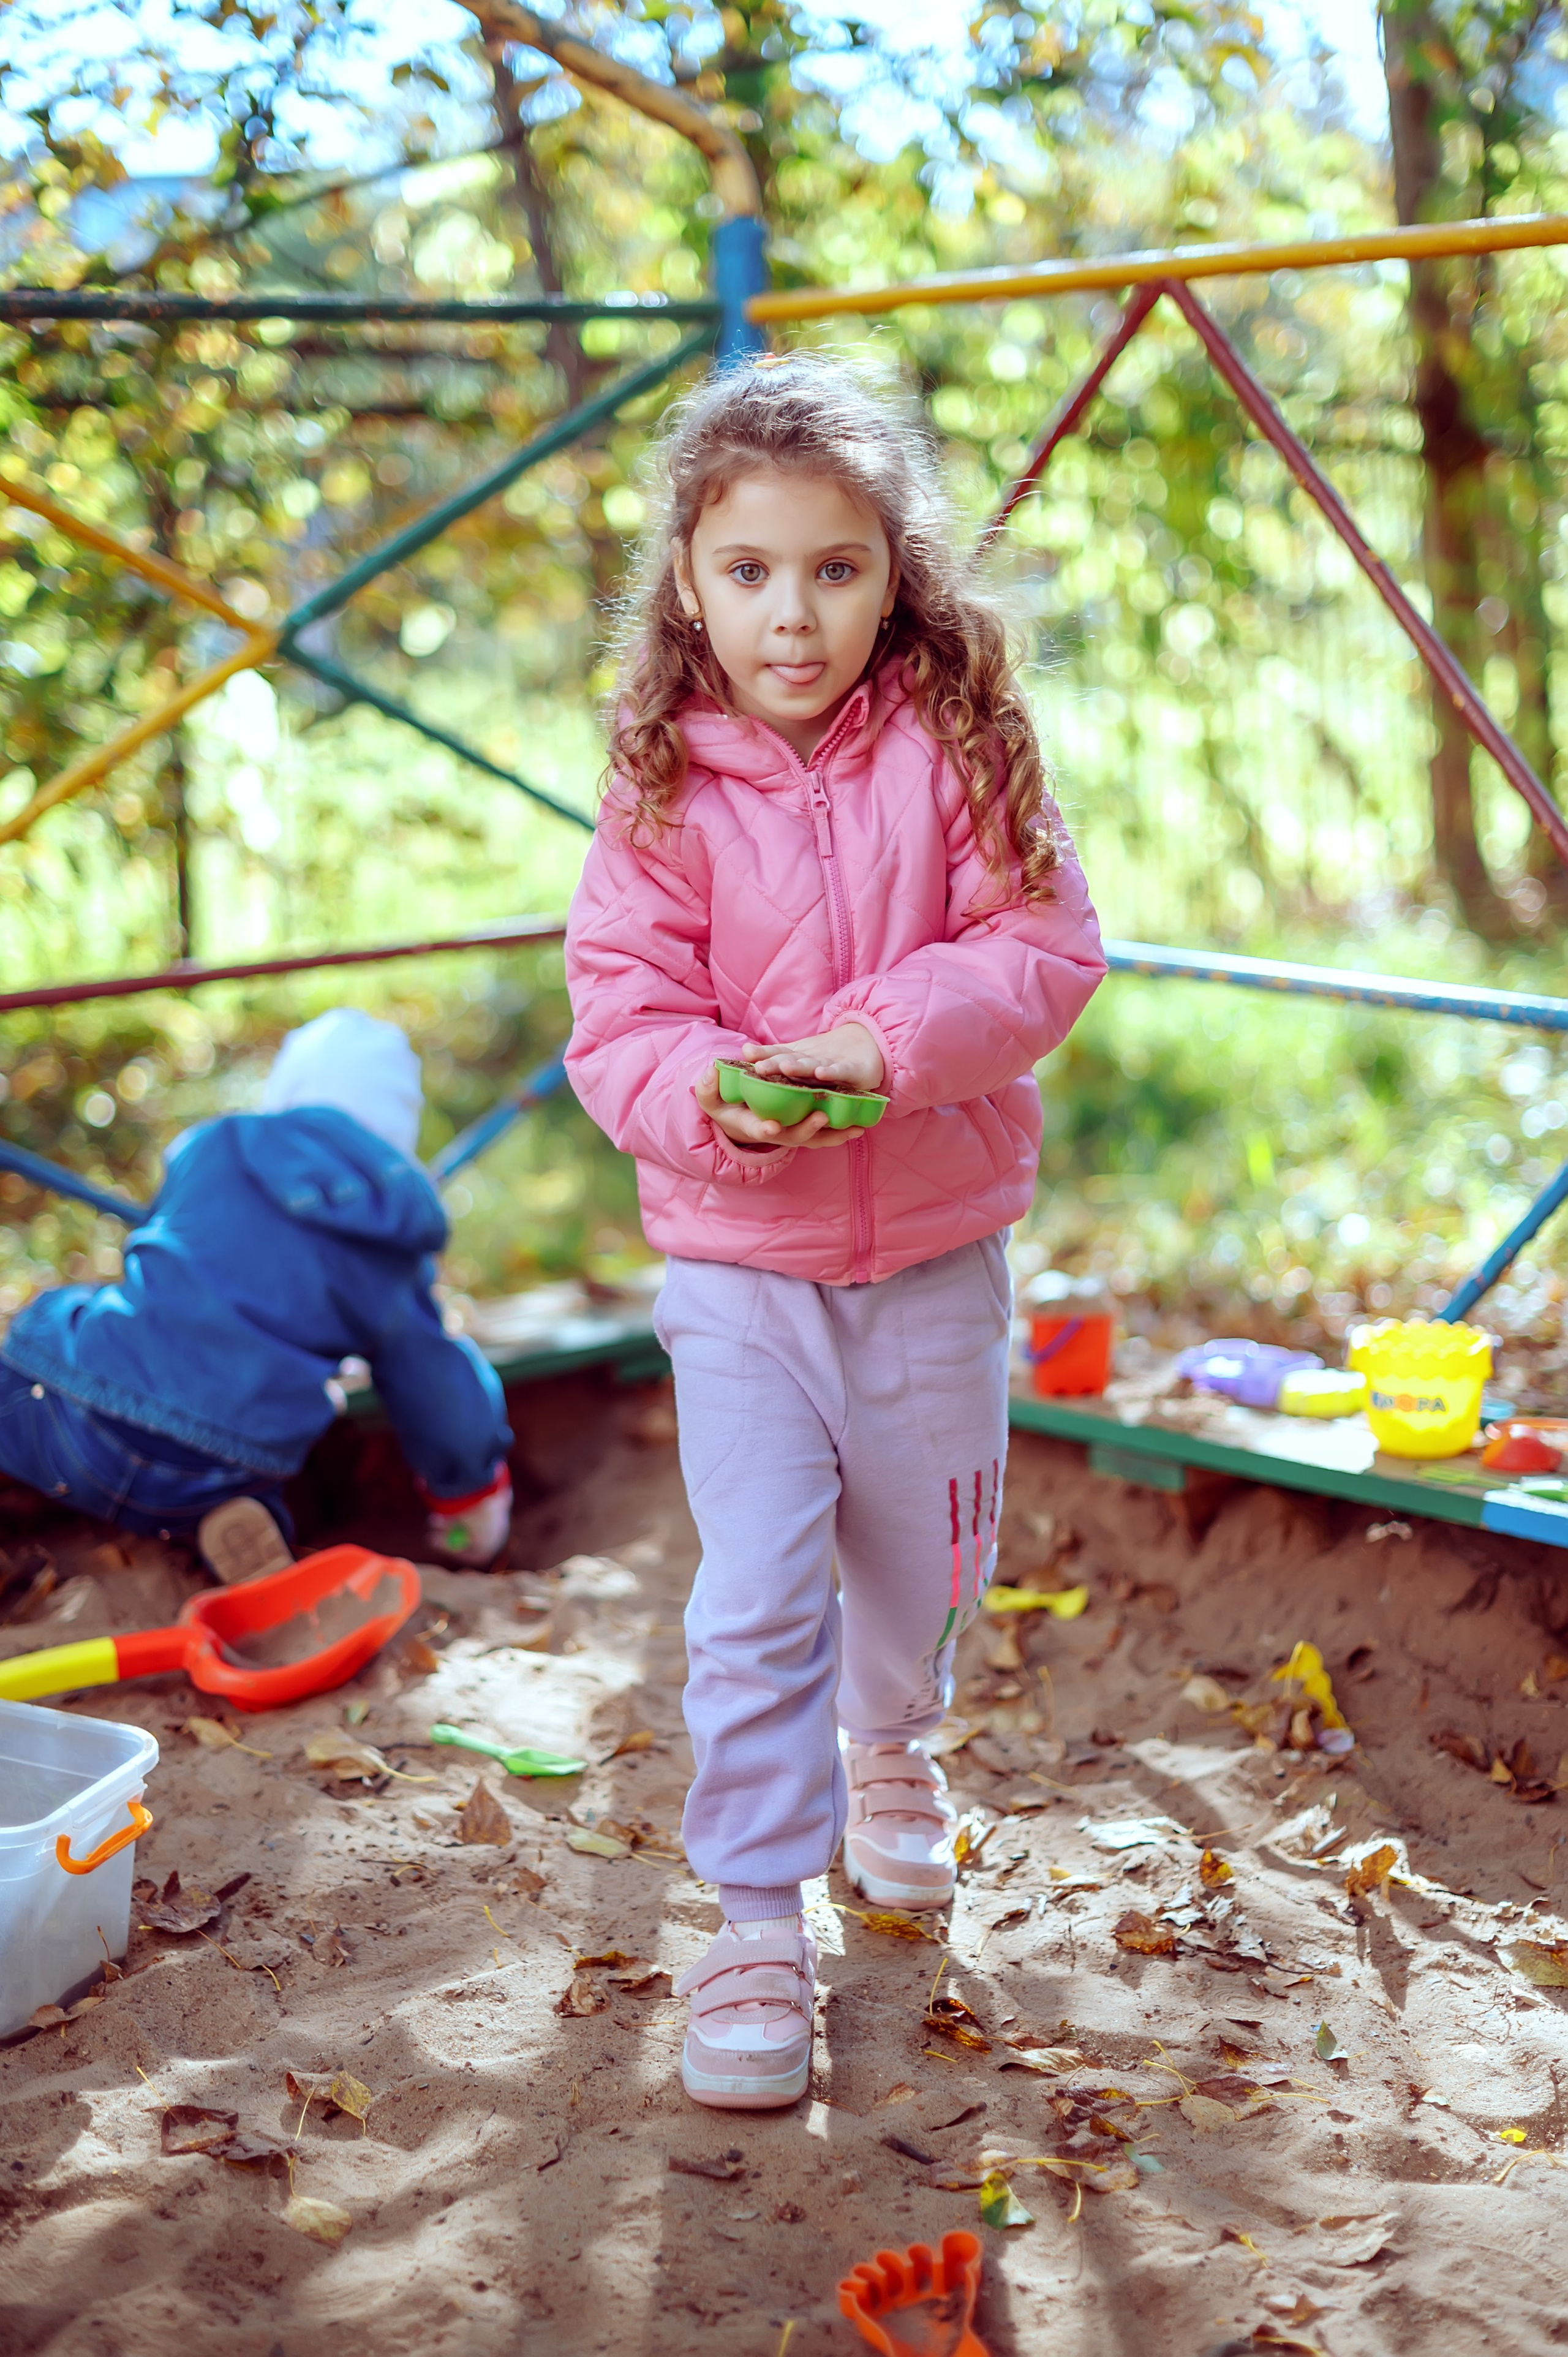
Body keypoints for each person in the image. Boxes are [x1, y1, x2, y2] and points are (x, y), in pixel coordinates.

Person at [565, 355, 1106, 2110]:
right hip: (740, 1273)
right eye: (749, 573)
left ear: (898, 575)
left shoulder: (957, 746)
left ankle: (894, 1755)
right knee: (757, 1595)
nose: (791, 616)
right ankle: (746, 1918)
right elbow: (620, 1016)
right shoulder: (661, 789)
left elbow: (1039, 956)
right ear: (687, 584)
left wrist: (884, 1041)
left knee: (925, 1568)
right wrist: (711, 1091)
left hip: (938, 1253)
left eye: (835, 570)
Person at [0, 1008, 513, 1575]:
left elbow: (160, 1246)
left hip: (93, 1415)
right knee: (240, 1477)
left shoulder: (214, 1147)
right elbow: (434, 1380)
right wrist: (470, 1491)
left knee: (43, 1331)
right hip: (225, 1460)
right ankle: (241, 1522)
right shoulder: (391, 1239)